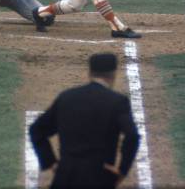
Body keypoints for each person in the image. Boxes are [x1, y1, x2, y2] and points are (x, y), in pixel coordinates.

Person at [30, 53, 140, 189]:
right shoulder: (118, 102)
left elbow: (36, 129)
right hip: (100, 176)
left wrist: (50, 162)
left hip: (65, 176)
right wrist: (122, 171)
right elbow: (132, 136)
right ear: (113, 74)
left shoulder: (67, 97)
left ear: (90, 72)